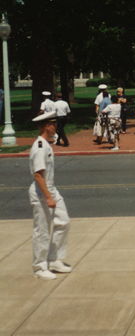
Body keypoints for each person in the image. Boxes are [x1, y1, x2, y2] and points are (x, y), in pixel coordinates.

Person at [28, 111, 72, 280]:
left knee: (64, 222)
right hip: (42, 192)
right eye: (53, 124)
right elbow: (38, 175)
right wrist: (48, 197)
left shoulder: (46, 144)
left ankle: (54, 259)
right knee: (42, 230)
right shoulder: (39, 147)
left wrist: (51, 194)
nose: (56, 127)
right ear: (47, 126)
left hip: (51, 189)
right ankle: (39, 267)